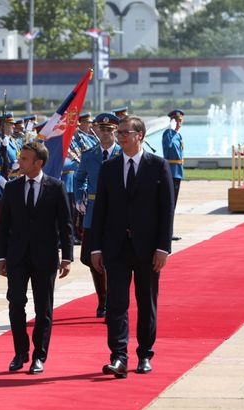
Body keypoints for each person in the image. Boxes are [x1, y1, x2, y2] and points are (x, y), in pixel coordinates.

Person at [90, 116, 174, 378]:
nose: (120, 136)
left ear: (140, 135)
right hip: (116, 248)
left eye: (125, 132)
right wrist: (96, 248)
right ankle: (118, 356)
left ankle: (145, 354)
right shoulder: (110, 167)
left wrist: (163, 247)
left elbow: (166, 211)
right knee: (116, 304)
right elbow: (100, 209)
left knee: (146, 302)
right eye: (119, 132)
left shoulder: (157, 166)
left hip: (148, 249)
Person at [0, 141, 73, 375]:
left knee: (44, 309)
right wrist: (0, 256)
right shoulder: (12, 188)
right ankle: (20, 352)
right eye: (20, 157)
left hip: (45, 257)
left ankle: (39, 355)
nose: (19, 162)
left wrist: (67, 257)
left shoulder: (55, 187)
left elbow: (65, 225)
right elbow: (2, 226)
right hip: (17, 257)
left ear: (38, 163)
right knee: (16, 303)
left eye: (25, 159)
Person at [75, 113, 121, 318]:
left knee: (115, 258)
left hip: (115, 212)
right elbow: (79, 178)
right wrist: (79, 198)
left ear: (115, 132)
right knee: (89, 257)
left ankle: (112, 300)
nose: (105, 134)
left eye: (109, 130)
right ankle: (102, 297)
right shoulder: (89, 154)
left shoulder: (122, 154)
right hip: (93, 211)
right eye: (101, 130)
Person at [162, 109, 184, 241]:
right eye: (177, 121)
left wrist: (175, 132)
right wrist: (171, 131)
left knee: (173, 204)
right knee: (169, 204)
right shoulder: (168, 134)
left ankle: (169, 232)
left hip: (177, 172)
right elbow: (168, 147)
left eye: (181, 121)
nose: (179, 124)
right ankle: (166, 233)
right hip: (171, 172)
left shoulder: (177, 134)